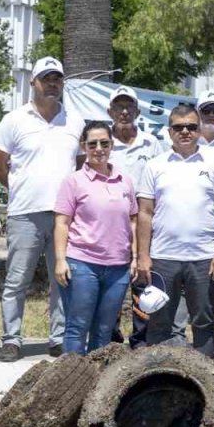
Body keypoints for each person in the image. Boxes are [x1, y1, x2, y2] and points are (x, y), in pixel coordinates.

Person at [0, 56, 86, 362]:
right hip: (25, 213)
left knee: (63, 279)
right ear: (33, 83)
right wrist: (20, 187)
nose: (52, 84)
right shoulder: (14, 120)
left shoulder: (75, 120)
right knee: (16, 280)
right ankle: (11, 338)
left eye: (57, 78)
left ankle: (58, 338)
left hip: (64, 216)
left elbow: (81, 165)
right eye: (46, 78)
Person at [134, 104, 214, 357]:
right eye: (179, 127)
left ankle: (207, 381)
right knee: (158, 321)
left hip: (203, 258)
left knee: (204, 321)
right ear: (169, 132)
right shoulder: (154, 166)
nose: (185, 132)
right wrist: (143, 257)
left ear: (199, 130)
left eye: (191, 126)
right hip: (163, 257)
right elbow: (144, 213)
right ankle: (157, 377)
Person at [53, 122, 137, 355]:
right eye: (93, 144)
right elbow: (61, 223)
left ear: (112, 145)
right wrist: (60, 260)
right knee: (77, 326)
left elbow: (133, 220)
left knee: (104, 329)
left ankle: (97, 383)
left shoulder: (125, 181)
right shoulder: (74, 181)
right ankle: (71, 381)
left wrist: (136, 257)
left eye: (104, 143)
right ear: (84, 147)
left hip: (118, 268)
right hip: (82, 263)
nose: (99, 148)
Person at [106, 85, 169, 348]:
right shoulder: (104, 143)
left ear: (138, 111)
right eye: (119, 107)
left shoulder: (152, 143)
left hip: (142, 221)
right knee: (109, 281)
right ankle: (110, 335)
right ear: (109, 111)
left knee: (142, 278)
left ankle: (140, 337)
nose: (124, 111)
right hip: (110, 222)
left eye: (129, 106)